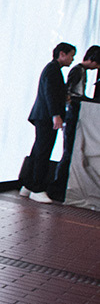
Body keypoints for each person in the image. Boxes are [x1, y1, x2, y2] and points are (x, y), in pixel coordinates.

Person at [18, 42, 77, 203]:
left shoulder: (53, 69)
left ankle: (28, 185)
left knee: (38, 150)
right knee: (43, 151)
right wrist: (55, 115)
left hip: (43, 116)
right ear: (62, 54)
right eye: (71, 55)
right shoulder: (52, 70)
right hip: (46, 117)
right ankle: (37, 188)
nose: (72, 59)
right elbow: (49, 94)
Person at [47, 44, 100, 201]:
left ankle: (61, 187)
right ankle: (58, 187)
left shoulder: (81, 71)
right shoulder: (78, 71)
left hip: (73, 114)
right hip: (72, 115)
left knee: (70, 151)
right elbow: (70, 94)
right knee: (69, 152)